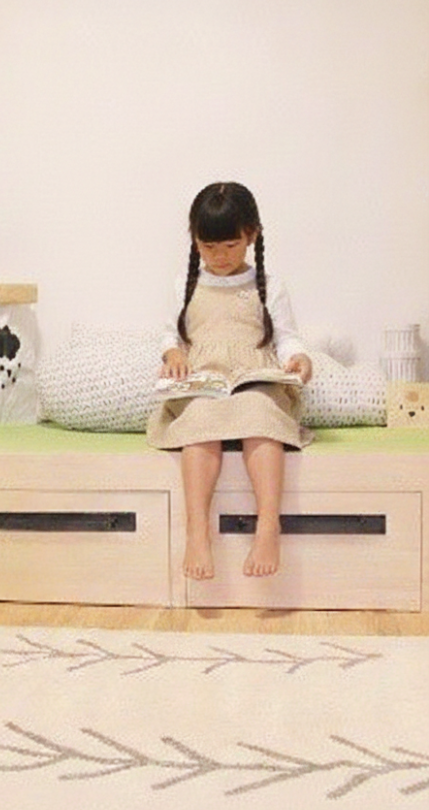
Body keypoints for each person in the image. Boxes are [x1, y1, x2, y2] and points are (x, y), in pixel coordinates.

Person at [147, 182, 313, 581]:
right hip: (205, 380)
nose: (219, 256)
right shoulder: (185, 284)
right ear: (194, 240)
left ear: (251, 235)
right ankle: (197, 530)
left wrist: (299, 358)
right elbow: (170, 334)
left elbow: (286, 337)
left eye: (230, 245)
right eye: (209, 247)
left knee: (260, 414)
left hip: (253, 379)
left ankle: (268, 525)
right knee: (200, 421)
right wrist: (173, 355)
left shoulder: (269, 285)